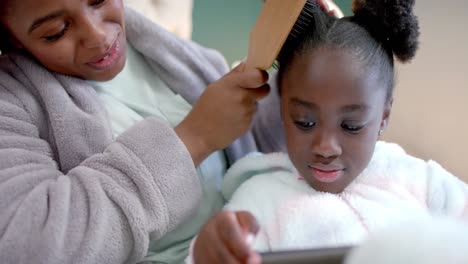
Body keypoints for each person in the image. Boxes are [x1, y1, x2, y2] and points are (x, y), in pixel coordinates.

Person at [0, 0, 338, 263]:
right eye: (56, 30)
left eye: (100, 0)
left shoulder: (160, 51)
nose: (98, 36)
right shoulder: (11, 105)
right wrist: (194, 138)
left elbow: (251, 148)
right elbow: (33, 246)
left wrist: (299, 76)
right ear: (10, 35)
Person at [191, 0, 468, 263]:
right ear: (282, 110)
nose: (326, 147)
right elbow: (220, 252)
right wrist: (208, 252)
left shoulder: (418, 179)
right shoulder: (258, 199)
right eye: (305, 122)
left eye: (351, 126)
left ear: (384, 116)